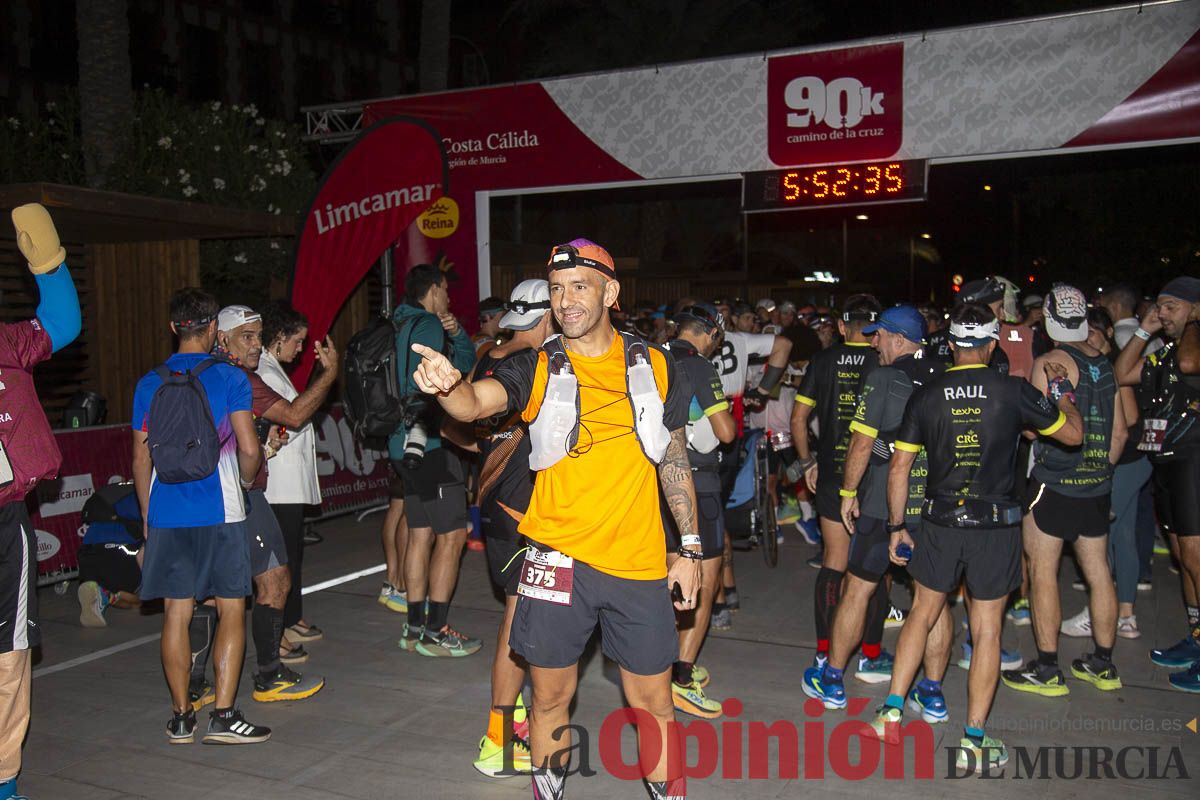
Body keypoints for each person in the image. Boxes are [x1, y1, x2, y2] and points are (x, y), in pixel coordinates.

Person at [411, 238, 700, 800]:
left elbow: (673, 457)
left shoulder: (656, 365)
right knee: (547, 698)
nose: (565, 300)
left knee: (655, 705)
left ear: (610, 292)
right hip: (554, 559)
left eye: (580, 287)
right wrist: (450, 389)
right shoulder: (537, 365)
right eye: (558, 289)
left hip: (636, 561)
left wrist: (688, 548)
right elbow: (475, 405)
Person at [870, 302, 1082, 772]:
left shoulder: (927, 394)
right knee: (987, 629)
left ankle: (890, 711)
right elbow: (1072, 435)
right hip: (995, 525)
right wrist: (1063, 390)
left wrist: (896, 526)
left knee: (923, 613)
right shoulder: (1014, 390)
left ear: (949, 345)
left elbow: (899, 467)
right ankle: (973, 738)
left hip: (941, 520)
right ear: (991, 344)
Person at [132, 287, 268, 745]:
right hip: (221, 509)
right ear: (213, 328)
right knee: (232, 608)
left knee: (176, 612)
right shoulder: (230, 379)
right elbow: (248, 448)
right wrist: (246, 482)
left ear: (174, 328)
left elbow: (140, 459)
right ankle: (224, 716)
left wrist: (150, 521)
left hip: (168, 512)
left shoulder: (149, 382)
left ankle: (181, 717)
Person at [803, 306, 951, 712]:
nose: (873, 342)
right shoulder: (946, 374)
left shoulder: (884, 377)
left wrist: (848, 492)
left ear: (899, 339)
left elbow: (862, 443)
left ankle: (832, 679)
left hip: (883, 503)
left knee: (858, 589)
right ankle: (933, 692)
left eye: (879, 336)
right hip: (936, 506)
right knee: (931, 599)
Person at [1000, 284, 1126, 698]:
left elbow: (1037, 431)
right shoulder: (1105, 364)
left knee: (1042, 572)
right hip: (1096, 483)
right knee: (1098, 571)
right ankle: (1103, 664)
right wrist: (1100, 470)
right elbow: (1120, 431)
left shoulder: (1050, 361)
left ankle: (1048, 668)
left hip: (1054, 482)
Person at [203, 304, 332, 703]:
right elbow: (294, 415)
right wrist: (329, 375)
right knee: (275, 578)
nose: (257, 345)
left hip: (194, 497)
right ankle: (267, 673)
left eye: (259, 336)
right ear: (220, 338)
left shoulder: (176, 374)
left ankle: (192, 689)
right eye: (248, 337)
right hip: (240, 494)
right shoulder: (239, 378)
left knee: (203, 593)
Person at [0, 204, 80, 800]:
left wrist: (49, 265)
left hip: (4, 521)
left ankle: (3, 781)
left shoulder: (5, 343)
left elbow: (62, 322)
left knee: (9, 655)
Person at [465, 279, 554, 777]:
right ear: (548, 318)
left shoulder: (488, 356)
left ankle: (511, 718)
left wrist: (492, 456)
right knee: (519, 628)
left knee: (518, 621)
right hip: (523, 516)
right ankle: (497, 742)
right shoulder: (533, 364)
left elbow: (454, 429)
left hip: (497, 508)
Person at [1113, 276, 1200, 692]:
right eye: (1159, 305)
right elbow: (1122, 371)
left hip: (1194, 461)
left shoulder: (1192, 348)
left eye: (1171, 306)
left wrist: (1194, 322)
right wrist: (1145, 329)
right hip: (1166, 462)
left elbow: (1189, 366)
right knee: (1183, 556)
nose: (1161, 312)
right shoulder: (1163, 351)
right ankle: (1196, 638)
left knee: (1197, 557)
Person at [391, 263, 481, 657]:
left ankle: (413, 628)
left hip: (401, 444)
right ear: (433, 290)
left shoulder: (399, 325)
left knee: (420, 534)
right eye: (445, 290)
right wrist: (457, 337)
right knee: (452, 537)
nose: (448, 298)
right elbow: (457, 374)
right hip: (430, 444)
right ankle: (436, 630)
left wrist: (456, 332)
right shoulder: (428, 326)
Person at [789, 294, 881, 669]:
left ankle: (825, 650)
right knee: (873, 568)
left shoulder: (824, 361)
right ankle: (872, 657)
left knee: (835, 561)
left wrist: (807, 461)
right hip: (875, 474)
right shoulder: (885, 360)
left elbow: (798, 419)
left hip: (833, 471)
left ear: (842, 327)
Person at [666, 303, 736, 719]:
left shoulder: (650, 356)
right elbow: (725, 432)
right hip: (698, 483)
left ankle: (657, 666)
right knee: (701, 585)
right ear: (710, 334)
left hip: (655, 482)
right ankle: (681, 677)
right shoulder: (701, 367)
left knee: (664, 578)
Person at [257, 301, 327, 646]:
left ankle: (292, 615)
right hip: (278, 486)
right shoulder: (265, 372)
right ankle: (280, 626)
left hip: (288, 484)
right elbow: (289, 419)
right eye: (297, 341)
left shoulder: (274, 369)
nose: (301, 349)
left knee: (293, 555)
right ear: (279, 337)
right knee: (281, 560)